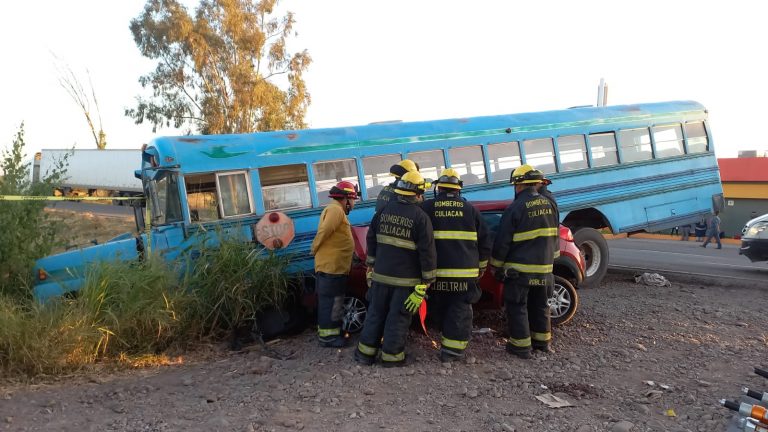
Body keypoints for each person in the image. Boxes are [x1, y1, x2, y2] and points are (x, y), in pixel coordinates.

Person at [355, 171, 436, 367]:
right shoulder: (420, 217)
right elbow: (427, 252)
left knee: (375, 314)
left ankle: (364, 355)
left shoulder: (382, 212)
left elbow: (371, 240)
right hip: (405, 282)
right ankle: (392, 358)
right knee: (397, 318)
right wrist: (427, 281)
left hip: (380, 278)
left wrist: (371, 266)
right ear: (416, 194)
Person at [421, 168, 491, 362]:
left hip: (436, 275)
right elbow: (485, 241)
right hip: (465, 275)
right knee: (459, 310)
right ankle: (453, 351)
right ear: (458, 189)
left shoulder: (427, 208)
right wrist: (482, 267)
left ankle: (443, 340)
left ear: (439, 188)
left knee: (439, 306)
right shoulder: (471, 210)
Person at [490, 164, 558, 359]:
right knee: (541, 306)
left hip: (520, 271)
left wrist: (496, 265)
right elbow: (554, 238)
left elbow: (503, 240)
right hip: (545, 269)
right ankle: (542, 343)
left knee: (517, 306)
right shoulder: (549, 204)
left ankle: (520, 347)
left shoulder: (516, 207)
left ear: (519, 185)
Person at [310, 181, 359, 347]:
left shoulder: (336, 210)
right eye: (353, 200)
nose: (353, 204)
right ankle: (328, 338)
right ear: (345, 199)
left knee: (335, 301)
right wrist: (314, 249)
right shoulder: (335, 210)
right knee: (329, 303)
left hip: (336, 267)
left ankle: (333, 334)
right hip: (331, 267)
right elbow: (324, 231)